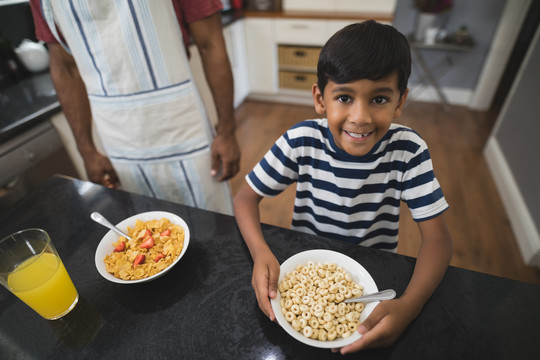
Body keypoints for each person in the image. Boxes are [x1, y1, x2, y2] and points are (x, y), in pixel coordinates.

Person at [233, 20, 453, 354]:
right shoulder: (302, 140)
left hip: (374, 276)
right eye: (345, 97)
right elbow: (246, 198)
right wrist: (261, 252)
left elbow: (438, 240)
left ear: (400, 101)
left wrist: (409, 307)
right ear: (320, 99)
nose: (360, 117)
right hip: (305, 266)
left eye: (379, 99)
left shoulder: (408, 150)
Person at [29, 0, 240, 215]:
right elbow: (66, 67)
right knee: (143, 233)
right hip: (116, 142)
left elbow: (210, 43)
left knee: (214, 226)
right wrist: (87, 150)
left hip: (183, 127)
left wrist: (227, 131)